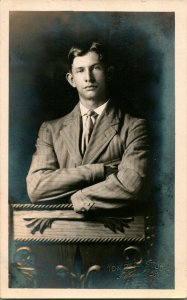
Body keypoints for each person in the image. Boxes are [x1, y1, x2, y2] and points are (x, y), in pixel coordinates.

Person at [26, 41, 150, 213]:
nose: (88, 78)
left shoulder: (134, 127)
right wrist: (99, 171)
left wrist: (78, 197)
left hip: (116, 234)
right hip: (64, 233)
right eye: (80, 70)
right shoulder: (50, 130)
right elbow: (36, 187)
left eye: (95, 68)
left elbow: (132, 184)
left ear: (108, 73)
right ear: (71, 79)